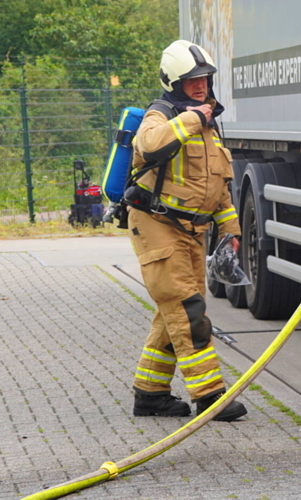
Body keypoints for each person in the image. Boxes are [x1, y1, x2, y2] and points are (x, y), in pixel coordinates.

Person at [128, 39, 246, 422]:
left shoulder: (209, 126)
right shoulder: (161, 114)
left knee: (173, 313)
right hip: (157, 225)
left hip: (192, 230)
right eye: (192, 80)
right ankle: (210, 395)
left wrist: (231, 229)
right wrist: (193, 118)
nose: (201, 85)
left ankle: (150, 395)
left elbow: (218, 185)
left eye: (205, 78)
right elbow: (147, 143)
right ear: (174, 83)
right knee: (187, 310)